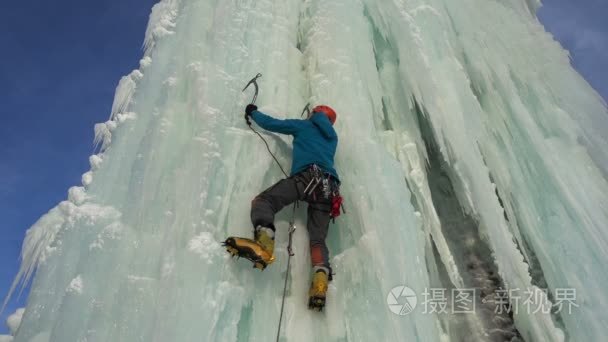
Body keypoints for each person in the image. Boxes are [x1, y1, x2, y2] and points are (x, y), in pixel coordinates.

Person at [224, 103, 342, 310]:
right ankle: (320, 281)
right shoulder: (332, 138)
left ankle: (264, 246)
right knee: (318, 239)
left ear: (314, 113)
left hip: (308, 178)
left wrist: (252, 112)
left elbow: (271, 124)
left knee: (263, 202)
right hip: (330, 190)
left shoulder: (304, 126)